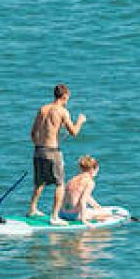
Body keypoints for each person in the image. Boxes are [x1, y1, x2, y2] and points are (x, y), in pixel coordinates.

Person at [26, 84, 87, 225]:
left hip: (39, 150)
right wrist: (80, 121)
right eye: (68, 98)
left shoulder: (43, 109)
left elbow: (33, 133)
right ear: (64, 96)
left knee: (39, 182)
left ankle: (32, 209)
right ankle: (54, 217)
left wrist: (39, 145)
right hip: (53, 152)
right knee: (60, 184)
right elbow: (74, 132)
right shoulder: (63, 111)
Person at [58, 155, 116, 223]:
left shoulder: (72, 180)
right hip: (75, 216)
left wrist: (96, 205)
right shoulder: (89, 182)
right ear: (94, 169)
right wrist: (83, 220)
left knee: (97, 210)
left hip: (62, 214)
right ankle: (97, 220)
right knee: (109, 213)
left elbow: (80, 195)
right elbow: (82, 201)